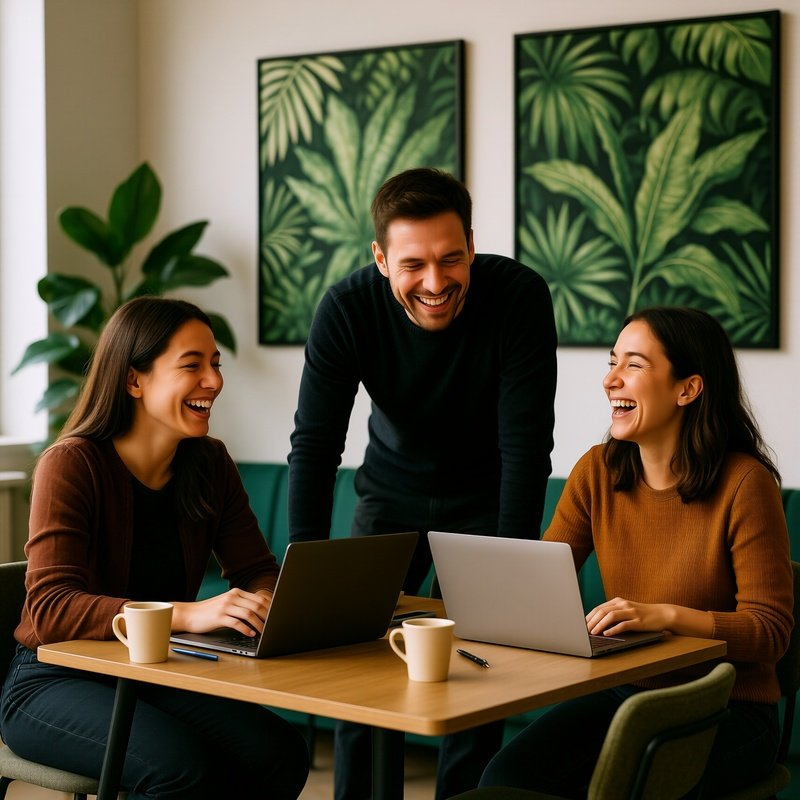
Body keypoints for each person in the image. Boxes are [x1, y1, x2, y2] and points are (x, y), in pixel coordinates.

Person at [287, 167, 558, 800]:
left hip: (489, 496)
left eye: (451, 259)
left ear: (471, 242)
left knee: (481, 670)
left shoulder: (518, 296)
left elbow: (525, 448)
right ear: (381, 259)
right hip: (389, 496)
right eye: (413, 265)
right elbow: (316, 445)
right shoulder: (347, 309)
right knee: (360, 668)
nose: (435, 283)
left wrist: (510, 565)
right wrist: (301, 565)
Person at [0, 297, 310, 800]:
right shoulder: (72, 464)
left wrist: (263, 599)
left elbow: (256, 569)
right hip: (53, 680)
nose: (214, 380)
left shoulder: (209, 462)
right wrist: (188, 615)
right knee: (178, 767)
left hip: (152, 672)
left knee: (279, 754)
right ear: (134, 380)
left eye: (215, 364)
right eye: (192, 365)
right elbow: (50, 609)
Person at [479, 306, 793, 797]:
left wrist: (665, 615)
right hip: (627, 692)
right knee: (506, 779)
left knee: (624, 786)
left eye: (634, 365)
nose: (611, 380)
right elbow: (538, 585)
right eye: (612, 361)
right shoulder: (597, 472)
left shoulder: (746, 484)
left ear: (687, 389)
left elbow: (770, 633)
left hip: (728, 708)